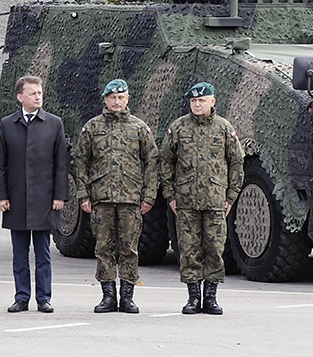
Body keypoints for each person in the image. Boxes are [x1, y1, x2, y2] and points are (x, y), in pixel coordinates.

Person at [74, 79, 158, 314]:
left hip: (131, 199)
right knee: (103, 248)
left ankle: (127, 296)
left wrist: (149, 195)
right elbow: (80, 161)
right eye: (112, 97)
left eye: (121, 97)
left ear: (128, 99)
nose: (117, 101)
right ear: (105, 99)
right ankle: (108, 296)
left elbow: (152, 163)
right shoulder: (92, 127)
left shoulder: (139, 128)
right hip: (101, 198)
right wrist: (83, 194)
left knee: (129, 249)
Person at [159, 82, 244, 315]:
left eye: (202, 100)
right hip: (186, 202)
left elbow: (236, 162)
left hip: (216, 201)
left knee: (215, 249)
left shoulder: (224, 128)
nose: (197, 104)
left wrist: (231, 196)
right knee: (189, 250)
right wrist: (170, 195)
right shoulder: (178, 128)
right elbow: (165, 162)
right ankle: (193, 297)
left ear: (212, 102)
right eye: (194, 101)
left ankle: (211, 298)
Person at [0, 75, 68, 314]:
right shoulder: (7, 124)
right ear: (20, 97)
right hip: (16, 198)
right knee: (19, 254)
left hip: (44, 198)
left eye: (40, 93)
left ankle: (44, 298)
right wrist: (1, 196)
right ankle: (21, 297)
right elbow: (1, 165)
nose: (38, 97)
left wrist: (60, 195)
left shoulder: (54, 123)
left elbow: (61, 164)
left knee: (43, 253)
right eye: (32, 93)